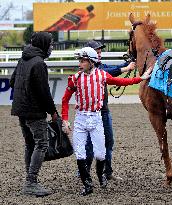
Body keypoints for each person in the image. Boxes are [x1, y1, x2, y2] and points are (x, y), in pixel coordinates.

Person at [61, 47, 151, 196]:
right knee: (80, 154)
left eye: (83, 61)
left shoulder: (103, 75)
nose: (80, 64)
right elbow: (65, 100)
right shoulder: (75, 78)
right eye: (80, 61)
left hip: (96, 119)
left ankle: (100, 174)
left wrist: (141, 79)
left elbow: (122, 82)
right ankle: (87, 184)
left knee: (101, 154)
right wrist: (65, 119)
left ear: (91, 62)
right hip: (80, 120)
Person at [10, 32, 58, 196]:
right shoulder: (39, 63)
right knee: (42, 144)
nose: (51, 47)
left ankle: (29, 181)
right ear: (44, 44)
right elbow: (44, 93)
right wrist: (53, 112)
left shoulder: (23, 58)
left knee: (30, 144)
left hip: (20, 109)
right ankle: (31, 182)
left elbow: (12, 81)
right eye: (50, 44)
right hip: (34, 111)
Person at [84, 40, 136, 181]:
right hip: (89, 113)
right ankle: (84, 172)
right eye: (97, 52)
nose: (100, 54)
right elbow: (105, 73)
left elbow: (112, 68)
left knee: (108, 142)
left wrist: (129, 63)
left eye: (100, 52)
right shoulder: (87, 69)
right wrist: (126, 69)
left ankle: (107, 172)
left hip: (104, 111)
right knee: (89, 144)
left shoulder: (100, 66)